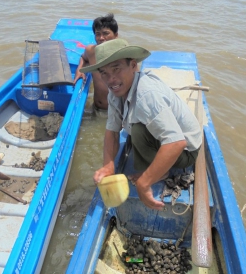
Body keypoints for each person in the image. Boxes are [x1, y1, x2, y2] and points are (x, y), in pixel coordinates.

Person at [80, 39, 202, 211]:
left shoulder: (146, 94)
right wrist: (108, 165)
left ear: (133, 66)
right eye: (104, 73)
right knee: (135, 127)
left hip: (186, 151)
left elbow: (176, 142)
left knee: (137, 130)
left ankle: (161, 172)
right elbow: (112, 132)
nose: (111, 79)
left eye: (116, 69)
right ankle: (154, 167)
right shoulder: (115, 93)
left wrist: (145, 183)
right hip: (173, 141)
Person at [74, 13, 119, 115]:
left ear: (116, 35)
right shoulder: (91, 51)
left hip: (117, 112)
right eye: (98, 34)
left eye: (106, 33)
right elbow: (83, 57)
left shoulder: (123, 56)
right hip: (97, 108)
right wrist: (79, 70)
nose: (101, 38)